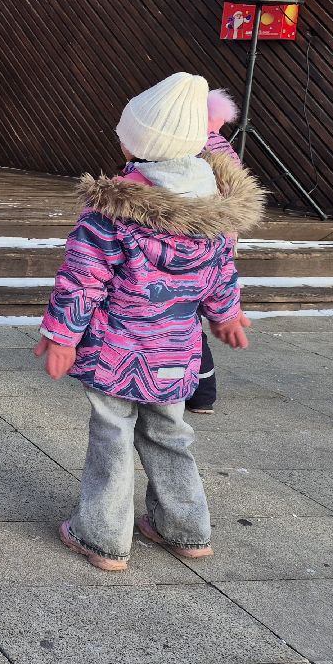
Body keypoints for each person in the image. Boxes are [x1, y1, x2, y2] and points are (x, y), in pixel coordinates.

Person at [35, 72, 262, 572]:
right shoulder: (214, 212)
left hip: (117, 348)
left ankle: (103, 536)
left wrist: (61, 335)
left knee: (113, 433)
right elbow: (221, 271)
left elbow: (83, 279)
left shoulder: (112, 211)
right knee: (170, 432)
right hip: (175, 350)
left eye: (126, 131)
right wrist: (226, 315)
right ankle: (186, 528)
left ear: (140, 145)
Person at [186, 88, 244, 414]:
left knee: (187, 317)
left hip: (199, 240)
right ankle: (202, 392)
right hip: (220, 241)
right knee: (193, 314)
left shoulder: (199, 149)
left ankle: (201, 391)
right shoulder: (225, 149)